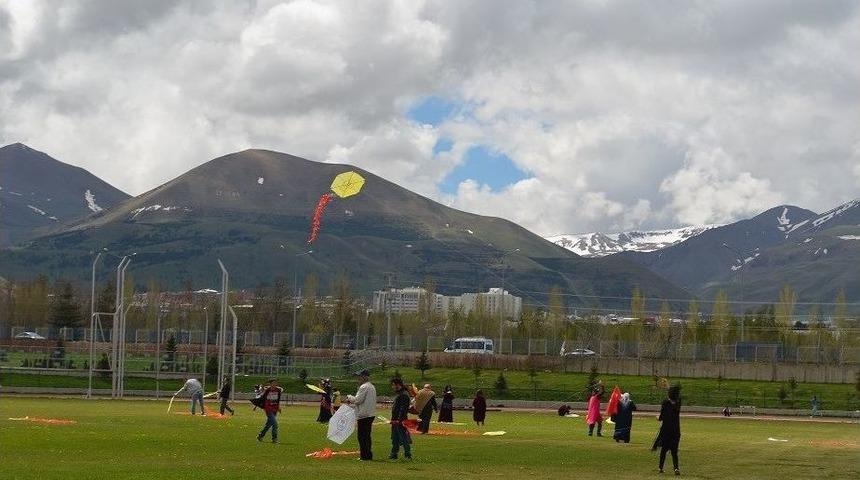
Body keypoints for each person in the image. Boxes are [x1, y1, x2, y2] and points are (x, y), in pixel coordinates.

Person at [345, 369, 377, 461]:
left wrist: (349, 397)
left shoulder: (364, 387)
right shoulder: (371, 387)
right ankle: (368, 455)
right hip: (370, 414)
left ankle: (364, 456)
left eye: (360, 376)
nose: (358, 378)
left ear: (364, 377)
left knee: (362, 437)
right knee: (367, 436)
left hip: (364, 415)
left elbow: (357, 400)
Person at [652, 384, 682, 475]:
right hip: (676, 429)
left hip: (666, 429)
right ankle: (676, 468)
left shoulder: (665, 402)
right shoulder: (678, 403)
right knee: (674, 451)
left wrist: (657, 417)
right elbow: (676, 398)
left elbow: (662, 416)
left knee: (664, 449)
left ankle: (660, 468)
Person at [388, 377, 412, 460]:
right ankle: (394, 454)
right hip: (396, 419)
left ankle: (407, 454)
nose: (392, 387)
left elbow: (403, 409)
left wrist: (399, 420)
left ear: (398, 385)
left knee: (403, 437)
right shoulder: (401, 394)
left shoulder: (403, 395)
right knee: (395, 437)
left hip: (400, 420)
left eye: (393, 385)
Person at [257, 378, 283, 443]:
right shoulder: (267, 390)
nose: (274, 384)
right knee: (275, 424)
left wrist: (278, 407)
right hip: (268, 409)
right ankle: (274, 439)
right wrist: (261, 406)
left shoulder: (278, 390)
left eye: (275, 383)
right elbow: (263, 398)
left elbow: (278, 400)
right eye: (273, 383)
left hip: (275, 409)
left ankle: (260, 436)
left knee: (269, 424)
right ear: (270, 384)